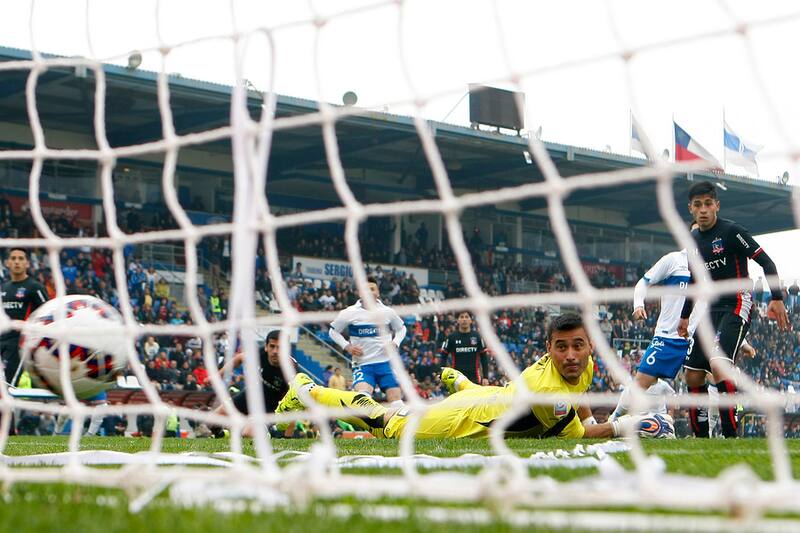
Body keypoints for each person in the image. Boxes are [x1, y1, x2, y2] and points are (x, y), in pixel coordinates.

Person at [278, 313, 673, 440]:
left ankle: (465, 385)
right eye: (562, 347)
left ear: (590, 346)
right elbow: (583, 435)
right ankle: (307, 388)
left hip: (484, 398)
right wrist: (631, 425)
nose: (571, 356)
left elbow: (582, 396)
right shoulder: (546, 391)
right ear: (548, 348)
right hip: (457, 422)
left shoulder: (581, 366)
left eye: (578, 346)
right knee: (383, 419)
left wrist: (590, 417)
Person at [678, 181, 791, 438]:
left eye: (708, 204)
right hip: (710, 308)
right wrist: (684, 316)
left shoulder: (731, 232)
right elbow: (694, 280)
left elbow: (766, 261)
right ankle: (701, 438)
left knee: (719, 365)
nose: (704, 209)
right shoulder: (693, 240)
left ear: (717, 205)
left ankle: (730, 435)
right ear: (691, 209)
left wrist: (777, 297)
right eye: (698, 205)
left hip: (738, 303)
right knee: (693, 375)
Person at [609, 234, 703, 420]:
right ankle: (613, 420)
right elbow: (644, 282)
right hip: (668, 336)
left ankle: (716, 434)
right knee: (641, 382)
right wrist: (638, 304)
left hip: (697, 337)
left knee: (711, 379)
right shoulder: (674, 260)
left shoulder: (712, 268)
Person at [327, 276, 407, 403]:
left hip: (386, 363)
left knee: (397, 403)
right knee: (363, 402)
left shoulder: (388, 312)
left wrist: (395, 343)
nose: (369, 292)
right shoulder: (349, 312)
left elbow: (401, 329)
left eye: (372, 289)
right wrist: (347, 346)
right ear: (360, 293)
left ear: (378, 292)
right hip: (362, 364)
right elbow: (333, 331)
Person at [210, 330, 293, 437]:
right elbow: (239, 358)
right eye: (272, 346)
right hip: (251, 395)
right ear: (266, 347)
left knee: (248, 433)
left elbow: (293, 406)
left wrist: (287, 437)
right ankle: (222, 435)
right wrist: (218, 375)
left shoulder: (291, 371)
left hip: (271, 407)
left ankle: (267, 434)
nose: (275, 351)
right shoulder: (259, 354)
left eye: (280, 347)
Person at [0, 248, 49, 385]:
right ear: (7, 263)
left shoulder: (34, 287)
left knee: (7, 385)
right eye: (13, 258)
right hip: (2, 340)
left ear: (27, 263)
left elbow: (49, 313)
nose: (17, 262)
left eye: (21, 259)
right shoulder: (3, 288)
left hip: (19, 345)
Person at [438, 311, 489, 384]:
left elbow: (484, 358)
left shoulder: (477, 337)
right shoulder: (451, 337)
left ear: (471, 320)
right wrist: (442, 374)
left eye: (466, 317)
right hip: (457, 380)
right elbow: (443, 356)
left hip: (474, 380)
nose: (464, 319)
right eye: (461, 317)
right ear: (458, 320)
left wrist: (485, 377)